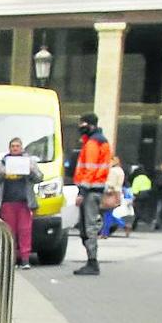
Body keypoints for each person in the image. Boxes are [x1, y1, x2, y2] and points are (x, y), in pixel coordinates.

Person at [0, 137, 43, 269]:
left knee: (25, 231)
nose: (15, 148)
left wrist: (31, 170)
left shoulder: (29, 161)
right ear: (9, 148)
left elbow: (39, 177)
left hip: (24, 203)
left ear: (22, 147)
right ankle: (10, 259)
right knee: (9, 232)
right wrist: (2, 173)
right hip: (7, 202)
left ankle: (25, 259)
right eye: (13, 146)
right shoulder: (2, 163)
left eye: (17, 146)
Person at [72, 112, 111, 275]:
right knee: (87, 228)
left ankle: (92, 262)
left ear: (90, 125)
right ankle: (91, 261)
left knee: (88, 229)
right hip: (95, 190)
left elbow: (89, 169)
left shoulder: (93, 144)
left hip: (90, 191)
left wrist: (82, 191)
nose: (81, 127)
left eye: (83, 124)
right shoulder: (99, 141)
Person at [99, 155, 128, 239]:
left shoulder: (113, 171)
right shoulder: (120, 170)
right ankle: (123, 225)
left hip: (110, 193)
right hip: (118, 192)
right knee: (109, 213)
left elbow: (110, 183)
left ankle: (104, 233)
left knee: (106, 214)